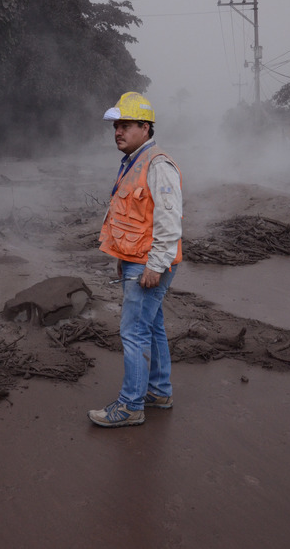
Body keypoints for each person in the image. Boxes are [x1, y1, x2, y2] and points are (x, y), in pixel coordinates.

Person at [88, 91, 184, 428]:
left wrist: (155, 265)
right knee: (152, 326)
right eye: (116, 125)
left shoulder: (158, 165)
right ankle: (158, 391)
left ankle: (130, 406)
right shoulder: (133, 162)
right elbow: (134, 217)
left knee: (133, 331)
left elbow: (170, 222)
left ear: (145, 127)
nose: (118, 131)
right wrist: (122, 257)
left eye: (125, 125)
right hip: (137, 260)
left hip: (149, 264)